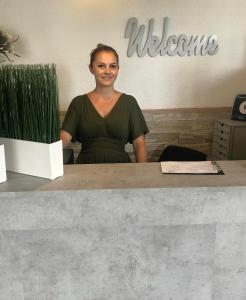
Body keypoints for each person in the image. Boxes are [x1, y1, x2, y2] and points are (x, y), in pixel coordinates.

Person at [60, 44, 149, 164]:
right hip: (84, 174)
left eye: (112, 66)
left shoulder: (129, 103)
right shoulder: (78, 103)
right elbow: (63, 140)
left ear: (118, 69)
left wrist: (142, 177)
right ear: (91, 68)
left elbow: (139, 144)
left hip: (123, 173)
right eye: (101, 66)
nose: (107, 71)